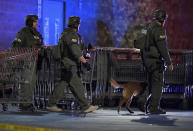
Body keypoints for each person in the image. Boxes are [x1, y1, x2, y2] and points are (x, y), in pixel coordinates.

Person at [46, 16, 98, 113]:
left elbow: (79, 48)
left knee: (64, 84)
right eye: (78, 24)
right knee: (77, 85)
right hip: (69, 64)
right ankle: (85, 106)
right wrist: (85, 62)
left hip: (67, 63)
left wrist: (86, 52)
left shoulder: (67, 34)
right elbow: (75, 51)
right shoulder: (71, 35)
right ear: (75, 24)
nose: (79, 26)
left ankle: (51, 104)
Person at [137, 9, 173, 114]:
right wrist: (169, 62)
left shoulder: (146, 27)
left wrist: (144, 61)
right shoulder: (159, 30)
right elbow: (163, 48)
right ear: (163, 19)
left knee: (151, 83)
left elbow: (141, 44)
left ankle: (142, 99)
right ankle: (154, 107)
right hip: (155, 61)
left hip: (146, 60)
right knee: (158, 84)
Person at [11, 14, 43, 111]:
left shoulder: (37, 34)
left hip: (34, 61)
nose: (37, 23)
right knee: (26, 82)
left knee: (31, 82)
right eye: (35, 21)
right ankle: (24, 103)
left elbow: (40, 45)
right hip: (25, 61)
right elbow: (16, 46)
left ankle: (28, 102)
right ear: (30, 22)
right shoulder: (23, 32)